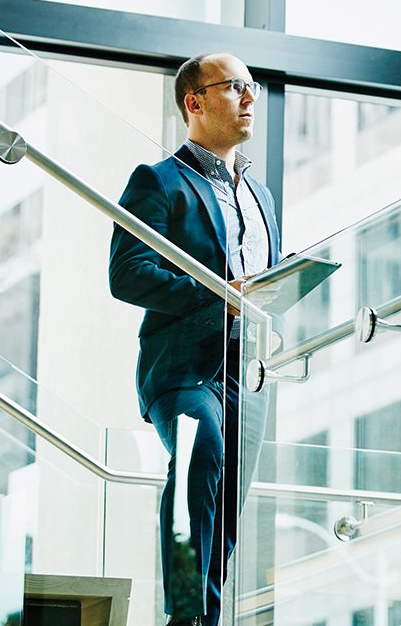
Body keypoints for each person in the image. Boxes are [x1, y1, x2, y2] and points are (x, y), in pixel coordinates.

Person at [109, 53, 278, 626]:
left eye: (253, 88)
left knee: (226, 506)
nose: (251, 98)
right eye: (236, 88)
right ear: (195, 101)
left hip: (248, 374)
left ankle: (202, 614)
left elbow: (262, 285)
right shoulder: (158, 181)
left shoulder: (261, 196)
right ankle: (185, 617)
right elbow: (126, 272)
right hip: (182, 370)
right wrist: (217, 293)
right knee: (199, 453)